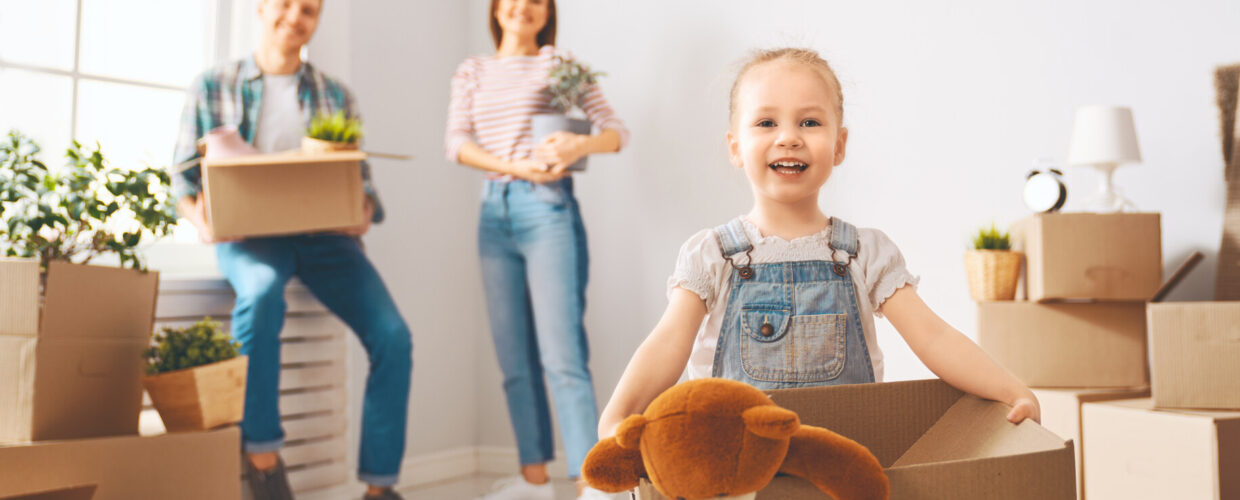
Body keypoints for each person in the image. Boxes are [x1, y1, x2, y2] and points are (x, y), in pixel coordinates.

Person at [597, 47, 1040, 459]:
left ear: (839, 145)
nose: (789, 138)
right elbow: (669, 342)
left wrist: (1011, 389)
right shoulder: (711, 254)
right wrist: (618, 415)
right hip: (735, 466)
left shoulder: (866, 252)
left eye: (809, 122)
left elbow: (934, 337)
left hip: (842, 464)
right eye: (766, 123)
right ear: (735, 147)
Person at [172, 1, 411, 499]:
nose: (295, 17)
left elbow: (360, 186)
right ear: (260, 9)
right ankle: (262, 456)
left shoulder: (335, 94)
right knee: (259, 297)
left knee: (394, 337)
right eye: (285, 4)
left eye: (309, 9)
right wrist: (204, 223)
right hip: (250, 238)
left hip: (325, 240)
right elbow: (182, 179)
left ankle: (379, 488)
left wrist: (361, 213)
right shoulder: (213, 84)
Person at [444, 0, 629, 498]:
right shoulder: (473, 70)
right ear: (495, 7)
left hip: (547, 208)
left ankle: (591, 483)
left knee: (561, 353)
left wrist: (577, 146)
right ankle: (533, 482)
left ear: (547, 11)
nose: (522, 7)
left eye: (535, 0)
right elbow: (456, 142)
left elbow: (615, 132)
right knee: (513, 357)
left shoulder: (559, 64)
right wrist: (517, 167)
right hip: (493, 213)